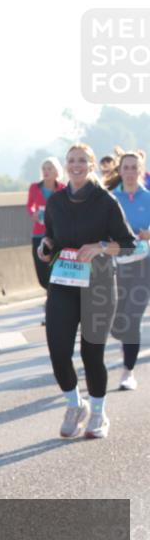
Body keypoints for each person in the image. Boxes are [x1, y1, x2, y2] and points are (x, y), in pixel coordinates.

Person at [38, 143, 136, 439]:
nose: (76, 165)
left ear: (91, 165)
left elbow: (128, 244)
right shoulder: (56, 201)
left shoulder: (105, 201)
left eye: (82, 160)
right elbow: (51, 237)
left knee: (91, 354)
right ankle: (74, 404)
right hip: (63, 283)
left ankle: (97, 412)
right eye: (71, 160)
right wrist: (46, 246)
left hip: (99, 285)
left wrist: (101, 247)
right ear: (66, 165)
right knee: (58, 351)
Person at [105, 151, 150, 390]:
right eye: (127, 167)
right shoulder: (111, 199)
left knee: (133, 318)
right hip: (117, 266)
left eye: (135, 167)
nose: (131, 172)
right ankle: (123, 337)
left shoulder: (148, 198)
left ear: (141, 170)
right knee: (116, 324)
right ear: (120, 171)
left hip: (144, 265)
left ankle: (128, 372)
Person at [26, 157, 65, 293]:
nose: (46, 171)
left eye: (49, 168)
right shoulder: (34, 187)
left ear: (56, 171)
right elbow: (29, 205)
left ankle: (53, 294)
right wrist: (33, 214)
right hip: (39, 233)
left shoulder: (63, 188)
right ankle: (49, 290)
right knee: (41, 269)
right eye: (43, 169)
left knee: (54, 266)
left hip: (57, 234)